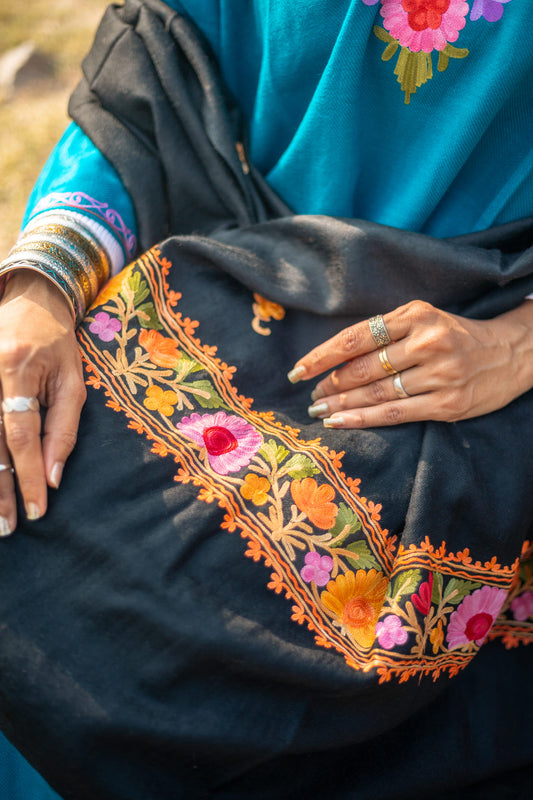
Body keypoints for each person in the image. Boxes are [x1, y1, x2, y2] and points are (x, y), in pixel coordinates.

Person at [0, 1, 531, 798]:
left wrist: (517, 344)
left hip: (473, 382)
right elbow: (156, 68)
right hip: (218, 284)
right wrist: (38, 292)